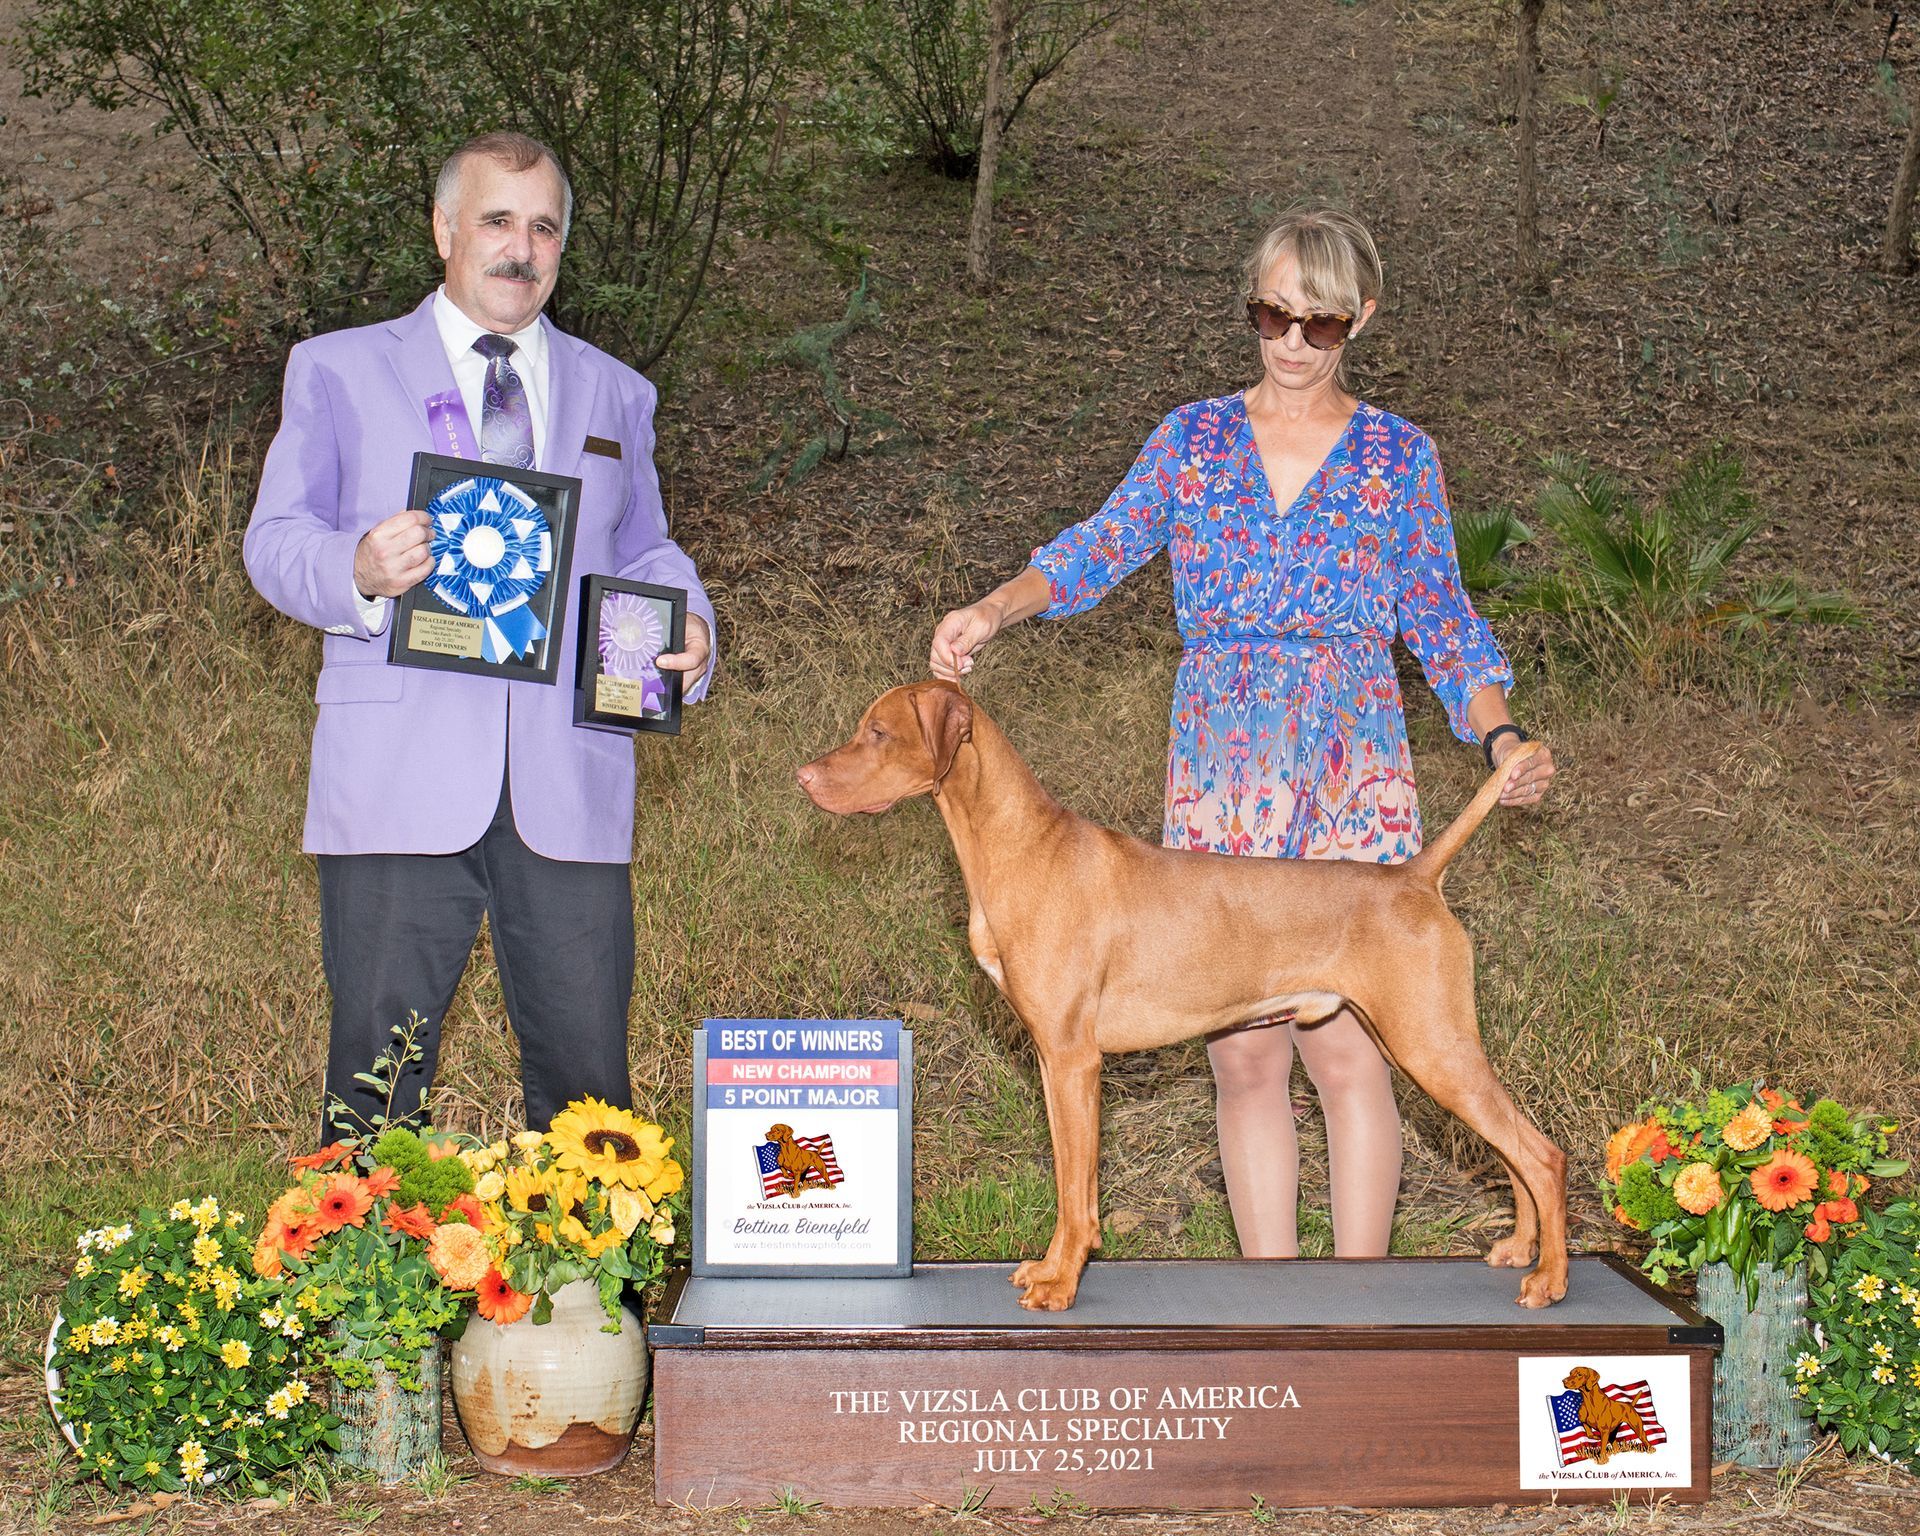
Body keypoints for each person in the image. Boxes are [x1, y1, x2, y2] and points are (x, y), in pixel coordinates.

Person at [929, 207, 1555, 1260]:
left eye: (1323, 324)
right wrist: (992, 610)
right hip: (1224, 766)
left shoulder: (1399, 458)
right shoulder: (1193, 439)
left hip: (1353, 761)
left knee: (1355, 1056)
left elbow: (1445, 621)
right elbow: (1098, 548)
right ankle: (1272, 1313)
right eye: (1274, 316)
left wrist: (1502, 739)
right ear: (1249, 312)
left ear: (1364, 319)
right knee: (1246, 1062)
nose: (1295, 344)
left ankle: (1355, 1314)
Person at [244, 131, 715, 1136]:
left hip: (571, 777)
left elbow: (646, 547)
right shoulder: (335, 371)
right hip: (396, 776)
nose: (522, 248)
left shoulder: (617, 392)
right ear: (445, 229)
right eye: (499, 220)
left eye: (544, 227)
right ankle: (364, 1288)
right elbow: (274, 540)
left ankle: (596, 1290)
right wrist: (357, 573)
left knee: (590, 1078)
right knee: (374, 1077)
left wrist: (696, 627)